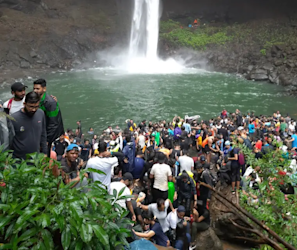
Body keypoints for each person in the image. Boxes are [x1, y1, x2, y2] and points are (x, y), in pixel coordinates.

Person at [10, 91, 47, 159]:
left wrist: (45, 153)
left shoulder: (40, 113)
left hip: (36, 158)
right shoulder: (14, 118)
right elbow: (9, 141)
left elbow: (43, 134)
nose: (33, 109)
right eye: (31, 107)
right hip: (19, 160)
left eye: (36, 107)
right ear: (24, 104)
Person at [33, 79, 64, 156]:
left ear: (44, 89)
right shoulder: (36, 99)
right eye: (34, 88)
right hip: (39, 132)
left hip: (46, 134)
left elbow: (53, 123)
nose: (35, 91)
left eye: (37, 89)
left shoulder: (50, 103)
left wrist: (47, 140)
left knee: (44, 156)